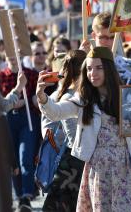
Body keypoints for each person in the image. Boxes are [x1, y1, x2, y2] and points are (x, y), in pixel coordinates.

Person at [36, 47, 131, 211]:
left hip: (127, 169)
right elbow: (57, 112)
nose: (93, 73)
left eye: (99, 68)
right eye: (89, 68)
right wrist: (42, 97)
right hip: (98, 171)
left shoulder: (129, 96)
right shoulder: (84, 100)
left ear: (108, 69)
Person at [41, 49, 87, 212]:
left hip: (75, 160)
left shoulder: (84, 93)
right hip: (74, 162)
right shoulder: (68, 97)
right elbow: (73, 137)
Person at [0, 54, 39, 210]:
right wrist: (12, 103)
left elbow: (36, 97)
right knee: (12, 159)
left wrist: (31, 100)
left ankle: (27, 195)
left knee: (25, 157)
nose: (12, 57)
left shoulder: (31, 74)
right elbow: (0, 103)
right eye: (8, 54)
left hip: (27, 119)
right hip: (9, 120)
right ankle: (19, 195)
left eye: (14, 53)